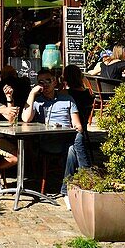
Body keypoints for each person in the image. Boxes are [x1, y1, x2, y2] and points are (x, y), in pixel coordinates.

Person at [22, 69, 87, 207]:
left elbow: (78, 125)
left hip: (68, 138)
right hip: (48, 141)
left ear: (55, 82)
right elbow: (26, 119)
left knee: (74, 144)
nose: (45, 84)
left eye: (48, 81)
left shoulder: (67, 99)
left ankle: (65, 191)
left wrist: (72, 129)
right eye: (41, 82)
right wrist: (32, 93)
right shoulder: (36, 102)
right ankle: (86, 174)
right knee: (74, 146)